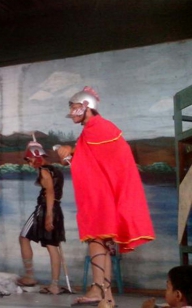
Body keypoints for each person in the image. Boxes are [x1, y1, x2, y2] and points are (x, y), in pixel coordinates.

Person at [56, 86, 155, 307]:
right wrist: (71, 154)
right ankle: (105, 295)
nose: (72, 112)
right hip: (99, 194)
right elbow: (91, 162)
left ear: (85, 107)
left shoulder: (99, 127)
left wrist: (71, 152)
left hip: (101, 196)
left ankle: (100, 290)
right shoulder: (93, 129)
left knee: (96, 237)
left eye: (74, 108)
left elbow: (104, 162)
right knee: (98, 239)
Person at [17, 137, 66, 295]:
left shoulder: (44, 171)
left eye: (30, 158)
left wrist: (48, 216)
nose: (29, 162)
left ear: (37, 157)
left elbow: (50, 192)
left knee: (24, 237)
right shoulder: (54, 170)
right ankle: (54, 285)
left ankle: (30, 276)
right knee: (52, 246)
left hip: (45, 209)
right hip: (55, 208)